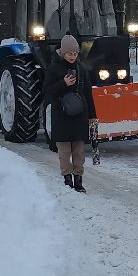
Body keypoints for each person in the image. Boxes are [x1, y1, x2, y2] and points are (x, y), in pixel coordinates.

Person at [44, 35, 92, 192]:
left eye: (75, 54)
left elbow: (88, 93)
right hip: (62, 115)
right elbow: (47, 91)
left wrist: (92, 116)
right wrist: (63, 84)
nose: (72, 57)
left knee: (79, 151)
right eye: (69, 54)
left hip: (79, 115)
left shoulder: (81, 69)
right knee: (64, 151)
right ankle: (67, 179)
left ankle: (78, 180)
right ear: (63, 53)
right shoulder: (53, 68)